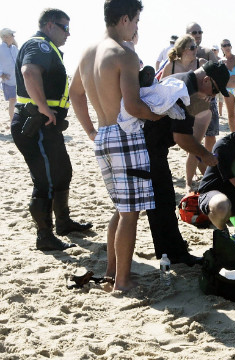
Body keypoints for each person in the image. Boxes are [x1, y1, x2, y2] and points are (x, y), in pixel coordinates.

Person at [70, 0, 165, 290]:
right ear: (124, 19)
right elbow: (135, 107)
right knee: (130, 212)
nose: (137, 27)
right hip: (125, 135)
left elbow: (74, 93)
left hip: (104, 135)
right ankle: (122, 281)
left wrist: (90, 130)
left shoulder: (87, 52)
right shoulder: (123, 54)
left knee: (121, 209)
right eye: (136, 21)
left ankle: (113, 273)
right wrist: (160, 114)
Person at [11, 9, 92, 252]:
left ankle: (63, 223)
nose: (69, 33)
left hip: (47, 126)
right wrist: (44, 108)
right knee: (44, 181)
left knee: (62, 172)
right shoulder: (41, 46)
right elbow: (29, 72)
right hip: (35, 125)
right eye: (64, 27)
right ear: (49, 26)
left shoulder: (48, 48)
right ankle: (44, 236)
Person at [142, 60, 228, 265]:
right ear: (206, 79)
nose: (213, 96)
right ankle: (174, 254)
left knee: (158, 201)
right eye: (214, 90)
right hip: (149, 150)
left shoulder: (179, 80)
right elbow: (182, 138)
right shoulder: (186, 90)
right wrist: (205, 155)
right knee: (162, 200)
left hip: (148, 147)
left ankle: (170, 250)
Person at [160, 34, 210, 189]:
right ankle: (201, 177)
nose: (196, 50)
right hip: (177, 111)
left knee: (195, 144)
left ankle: (189, 183)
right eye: (192, 47)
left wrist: (207, 95)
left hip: (199, 109)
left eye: (196, 47)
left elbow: (210, 83)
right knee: (185, 144)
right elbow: (161, 88)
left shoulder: (201, 63)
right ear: (182, 49)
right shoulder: (171, 66)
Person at [186, 22, 220, 172]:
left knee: (210, 135)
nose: (198, 34)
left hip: (208, 100)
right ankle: (198, 168)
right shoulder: (181, 53)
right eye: (194, 32)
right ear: (187, 34)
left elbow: (219, 73)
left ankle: (206, 167)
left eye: (200, 31)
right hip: (190, 102)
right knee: (193, 139)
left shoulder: (207, 52)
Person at [0, 28, 18, 120]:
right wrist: (1, 74)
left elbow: (19, 61)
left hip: (17, 80)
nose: (13, 37)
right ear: (5, 37)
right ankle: (12, 122)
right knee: (12, 100)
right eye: (12, 35)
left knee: (16, 100)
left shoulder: (14, 48)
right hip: (8, 81)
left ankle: (15, 120)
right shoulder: (0, 49)